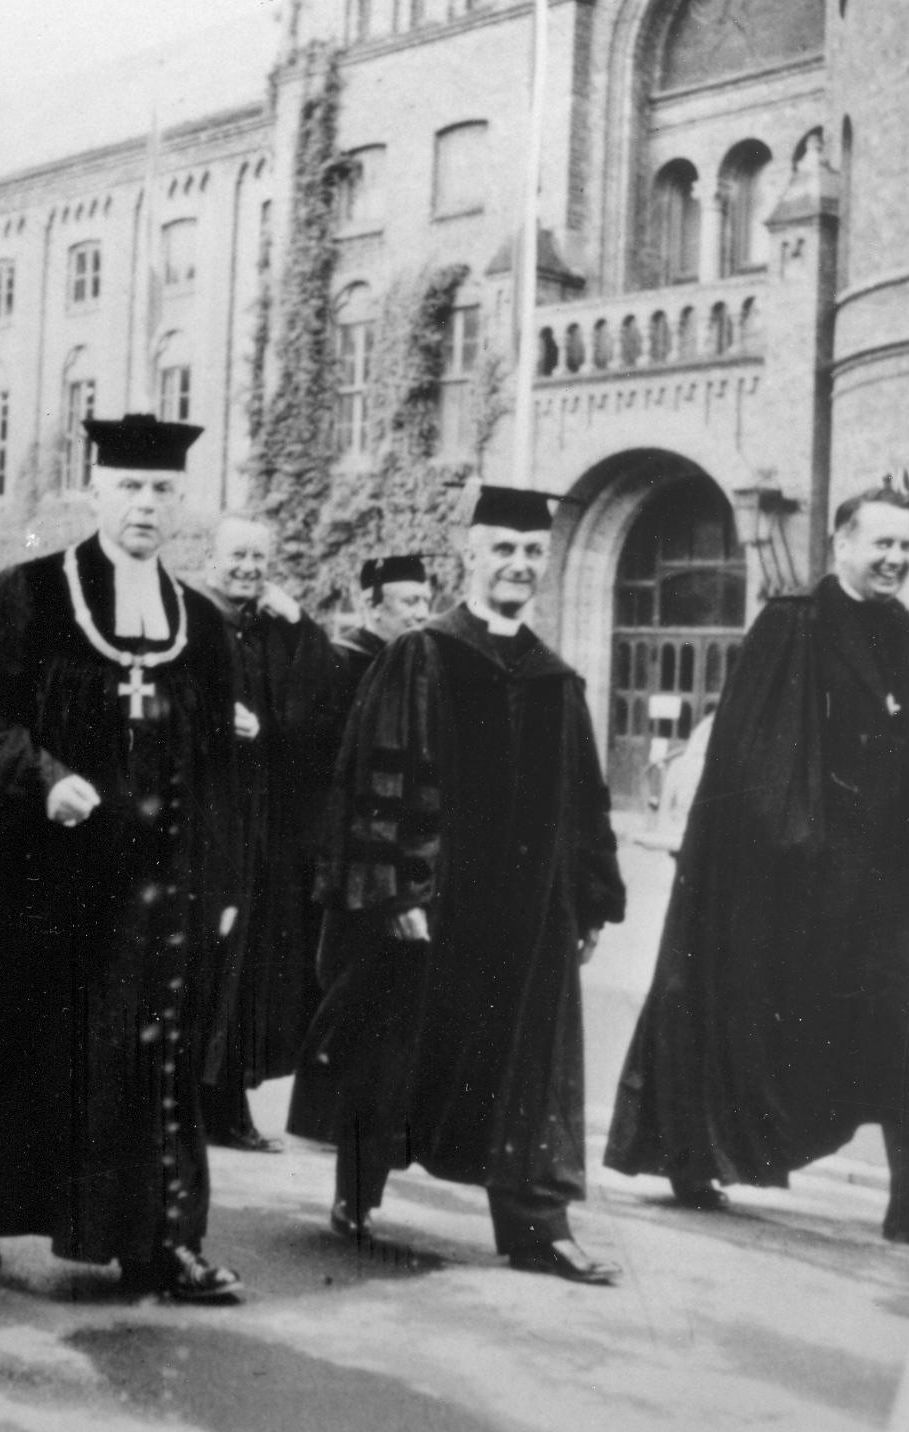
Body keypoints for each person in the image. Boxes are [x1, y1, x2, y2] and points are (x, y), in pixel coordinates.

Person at [0, 413, 243, 1302]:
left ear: (180, 502)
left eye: (163, 490)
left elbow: (220, 765)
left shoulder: (204, 627)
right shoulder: (26, 594)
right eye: (131, 487)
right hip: (43, 878)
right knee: (30, 1048)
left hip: (155, 889)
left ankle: (165, 1241)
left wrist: (219, 881)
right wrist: (42, 776)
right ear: (97, 491)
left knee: (152, 1059)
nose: (146, 504)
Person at [288, 485, 626, 1285]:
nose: (518, 564)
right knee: (399, 1046)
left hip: (530, 910)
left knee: (529, 1060)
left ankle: (537, 1224)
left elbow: (583, 798)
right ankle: (358, 1189)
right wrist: (398, 889)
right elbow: (377, 768)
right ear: (470, 557)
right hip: (436, 903)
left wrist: (589, 896)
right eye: (502, 548)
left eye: (532, 551)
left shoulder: (554, 677)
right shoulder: (425, 654)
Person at [606, 487, 909, 1245]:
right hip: (797, 884)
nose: (894, 559)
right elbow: (752, 761)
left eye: (905, 547)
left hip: (890, 892)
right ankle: (693, 1157)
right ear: (841, 544)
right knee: (739, 1009)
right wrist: (804, 850)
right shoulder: (794, 627)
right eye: (880, 545)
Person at [196, 514, 340, 1152]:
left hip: (258, 826)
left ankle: (226, 1104)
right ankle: (195, 1104)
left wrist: (300, 619)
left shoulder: (273, 629)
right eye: (237, 556)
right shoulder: (194, 619)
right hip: (204, 820)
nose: (248, 567)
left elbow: (321, 704)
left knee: (247, 970)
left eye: (259, 557)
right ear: (212, 558)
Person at [329, 555, 434, 722]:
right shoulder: (339, 661)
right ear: (373, 606)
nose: (424, 613)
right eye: (410, 601)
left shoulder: (426, 659)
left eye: (426, 601)